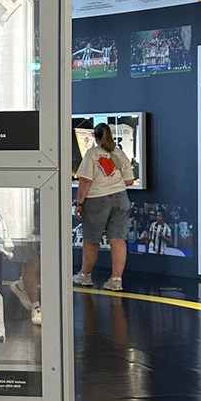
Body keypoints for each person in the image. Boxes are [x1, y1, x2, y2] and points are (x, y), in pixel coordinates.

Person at [73, 123, 136, 291]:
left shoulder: (92, 153)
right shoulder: (119, 153)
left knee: (91, 240)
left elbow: (85, 181)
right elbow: (130, 180)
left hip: (97, 200)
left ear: (95, 137)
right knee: (118, 239)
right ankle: (116, 280)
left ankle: (85, 276)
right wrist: (113, 184)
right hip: (121, 198)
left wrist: (79, 203)